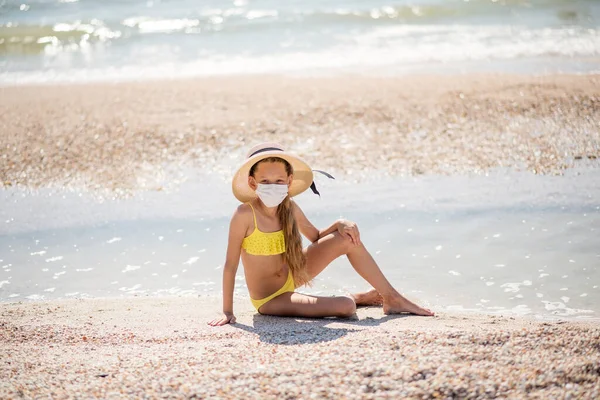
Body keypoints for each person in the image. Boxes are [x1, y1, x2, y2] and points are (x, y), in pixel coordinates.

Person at [208, 143, 434, 326]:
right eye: (265, 182)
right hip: (271, 299)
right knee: (346, 307)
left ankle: (391, 297)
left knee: (347, 238)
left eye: (278, 181)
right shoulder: (244, 215)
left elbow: (316, 237)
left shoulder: (290, 207)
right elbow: (230, 265)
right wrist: (227, 312)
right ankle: (359, 298)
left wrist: (339, 223)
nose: (272, 186)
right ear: (252, 182)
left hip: (293, 275)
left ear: (289, 181)